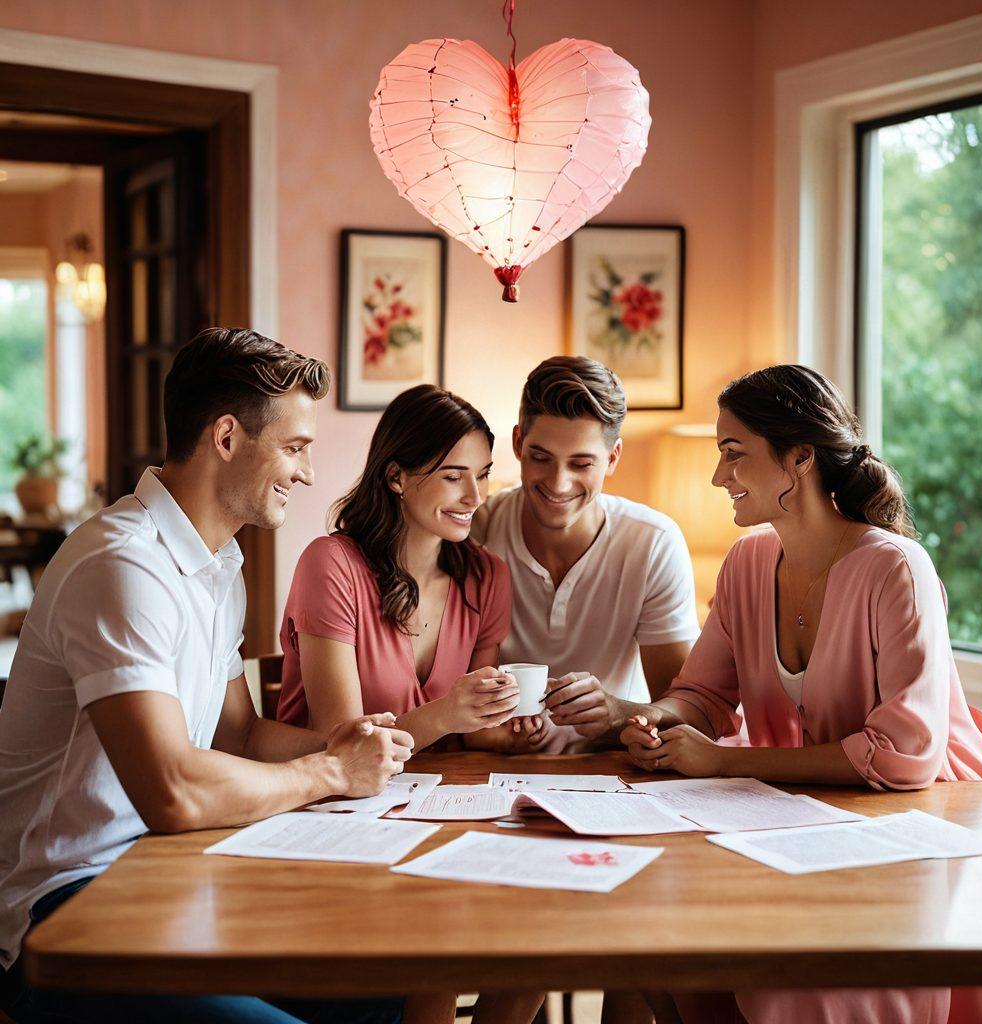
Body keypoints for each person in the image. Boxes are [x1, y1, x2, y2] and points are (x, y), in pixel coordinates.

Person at [0, 328, 413, 1024]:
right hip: (64, 907)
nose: (308, 473)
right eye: (295, 447)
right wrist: (331, 775)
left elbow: (240, 733)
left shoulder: (220, 566)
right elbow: (171, 792)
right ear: (227, 438)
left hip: (172, 874)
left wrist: (348, 745)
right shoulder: (122, 565)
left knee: (377, 985)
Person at [619, 364, 982, 1024]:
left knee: (797, 984)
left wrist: (722, 761)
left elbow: (905, 756)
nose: (719, 477)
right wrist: (660, 717)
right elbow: (703, 692)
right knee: (652, 929)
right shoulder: (746, 563)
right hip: (791, 827)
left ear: (799, 458)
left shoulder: (895, 568)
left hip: (918, 830)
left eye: (733, 454)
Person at [276, 383, 542, 1024]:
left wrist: (500, 730)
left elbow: (469, 725)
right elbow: (343, 742)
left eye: (481, 476)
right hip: (326, 815)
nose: (476, 498)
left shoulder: (485, 576)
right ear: (396, 476)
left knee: (544, 939)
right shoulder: (332, 565)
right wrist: (447, 716)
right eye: (453, 477)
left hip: (436, 809)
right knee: (444, 936)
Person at [470, 356, 701, 755]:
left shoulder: (652, 544)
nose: (558, 484)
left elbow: (691, 709)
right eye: (540, 457)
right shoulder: (478, 530)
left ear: (612, 458)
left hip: (609, 772)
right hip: (492, 766)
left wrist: (617, 714)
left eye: (581, 464)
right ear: (517, 443)